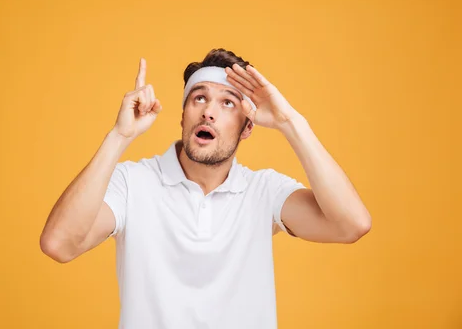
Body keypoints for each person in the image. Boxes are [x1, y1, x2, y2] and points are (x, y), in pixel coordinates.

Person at [40, 48, 372, 329]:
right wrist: (119, 137)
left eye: (227, 103)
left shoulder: (264, 191)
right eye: (199, 98)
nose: (208, 112)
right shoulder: (133, 183)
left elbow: (351, 225)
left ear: (246, 128)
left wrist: (290, 123)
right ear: (183, 116)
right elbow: (59, 244)